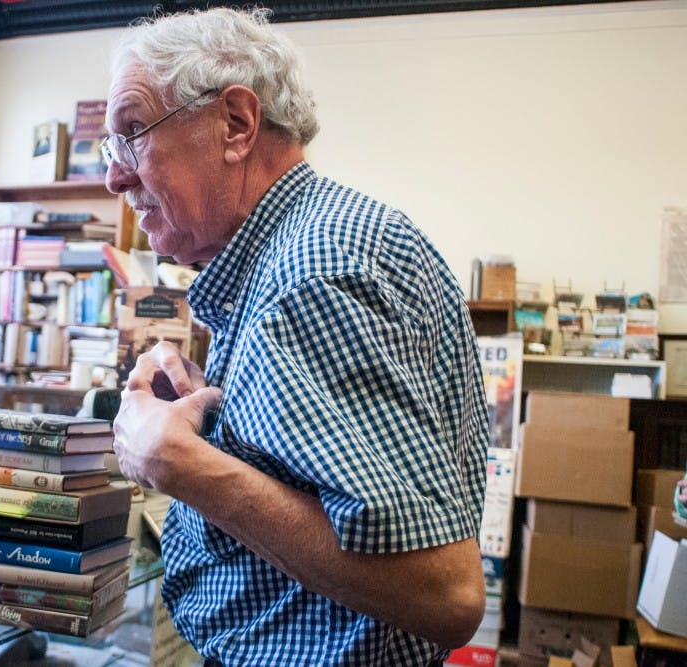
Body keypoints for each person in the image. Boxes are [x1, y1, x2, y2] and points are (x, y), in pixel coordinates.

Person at [102, 7, 488, 665]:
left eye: (133, 133)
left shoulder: (314, 270)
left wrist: (178, 463)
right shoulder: (316, 241)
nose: (114, 175)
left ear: (236, 124)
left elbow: (447, 594)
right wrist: (221, 421)